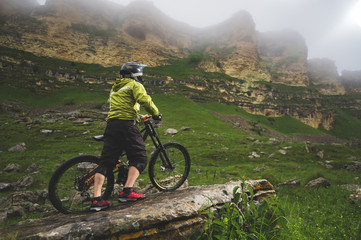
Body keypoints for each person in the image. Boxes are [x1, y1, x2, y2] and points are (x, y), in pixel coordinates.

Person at [90, 62, 161, 212]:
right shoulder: (135, 85)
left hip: (112, 125)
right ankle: (127, 191)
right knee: (140, 158)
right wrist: (156, 114)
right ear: (135, 74)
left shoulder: (115, 88)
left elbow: (122, 107)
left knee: (106, 163)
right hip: (126, 125)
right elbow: (145, 100)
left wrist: (138, 116)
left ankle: (96, 200)